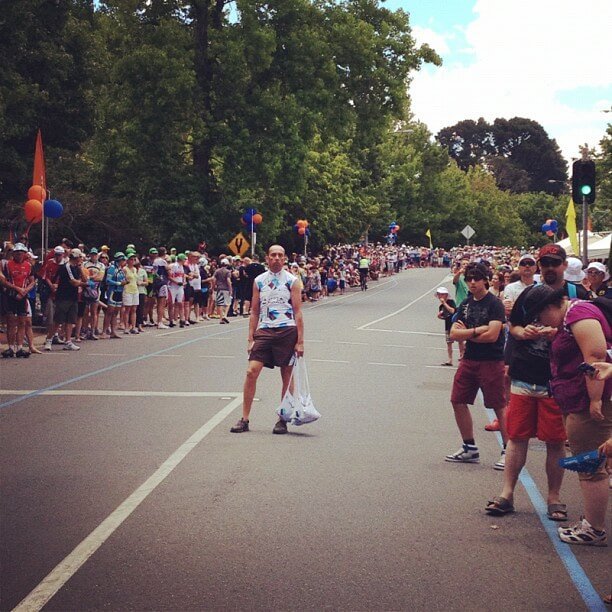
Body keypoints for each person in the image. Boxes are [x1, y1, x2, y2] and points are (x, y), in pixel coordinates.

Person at [521, 284, 611, 546]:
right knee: (592, 464)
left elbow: (594, 358)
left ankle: (594, 528)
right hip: (580, 399)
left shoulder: (578, 315)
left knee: (590, 466)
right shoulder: (572, 318)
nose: (539, 322)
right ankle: (592, 522)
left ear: (550, 306)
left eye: (539, 316)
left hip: (589, 402)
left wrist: (595, 399)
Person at [230, 244, 304, 435]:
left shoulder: (292, 281)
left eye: (280, 255)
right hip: (265, 330)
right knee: (251, 371)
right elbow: (254, 311)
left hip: (287, 330)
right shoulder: (259, 281)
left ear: (285, 258)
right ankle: (244, 419)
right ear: (267, 258)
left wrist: (300, 341)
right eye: (273, 255)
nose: (277, 258)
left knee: (287, 375)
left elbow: (298, 312)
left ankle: (282, 418)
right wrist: (250, 338)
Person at [445, 262, 508, 469]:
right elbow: (454, 333)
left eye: (476, 278)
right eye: (469, 278)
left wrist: (470, 333)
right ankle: (469, 447)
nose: (472, 282)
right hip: (470, 359)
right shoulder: (465, 303)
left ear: (485, 280)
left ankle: (509, 450)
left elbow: (492, 335)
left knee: (498, 405)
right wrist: (476, 331)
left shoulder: (494, 304)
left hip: (491, 360)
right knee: (458, 400)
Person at [48, 248, 89, 351]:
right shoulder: (66, 267)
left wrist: (80, 269)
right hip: (64, 297)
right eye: (80, 257)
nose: (81, 259)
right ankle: (49, 339)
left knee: (70, 320)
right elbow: (74, 282)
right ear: (75, 257)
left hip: (73, 296)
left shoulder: (76, 268)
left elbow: (84, 279)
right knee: (58, 320)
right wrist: (84, 284)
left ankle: (68, 341)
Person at [0, 243, 36, 358]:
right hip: (10, 295)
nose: (19, 254)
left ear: (24, 254)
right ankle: (11, 347)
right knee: (11, 322)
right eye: (17, 252)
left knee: (22, 322)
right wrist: (17, 289)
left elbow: (32, 281)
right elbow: (3, 281)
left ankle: (20, 347)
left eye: (21, 252)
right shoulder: (6, 264)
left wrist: (25, 291)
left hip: (23, 296)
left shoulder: (28, 265)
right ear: (13, 253)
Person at [435, 287, 458, 366]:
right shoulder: (441, 306)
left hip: (455, 325)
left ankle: (462, 356)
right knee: (449, 342)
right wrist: (439, 316)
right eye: (439, 294)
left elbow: (453, 311)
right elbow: (444, 316)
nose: (440, 296)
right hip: (448, 325)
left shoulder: (451, 302)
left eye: (442, 294)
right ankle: (450, 359)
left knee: (460, 341)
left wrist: (444, 303)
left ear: (446, 295)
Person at [214, 258, 233, 324]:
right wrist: (230, 289)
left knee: (220, 303)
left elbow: (214, 279)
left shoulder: (217, 271)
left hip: (219, 288)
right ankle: (225, 315)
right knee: (228, 303)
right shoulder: (228, 272)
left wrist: (214, 286)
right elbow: (228, 280)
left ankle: (221, 318)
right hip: (226, 288)